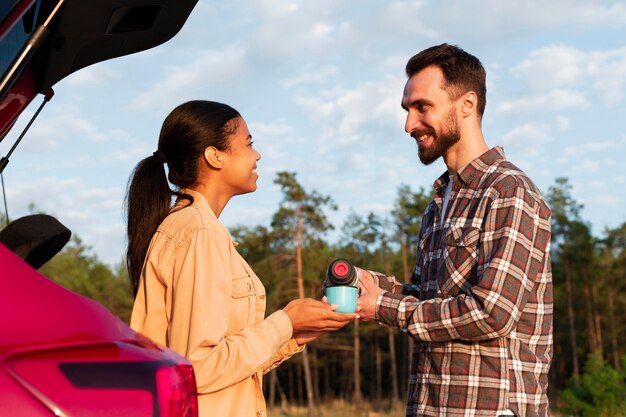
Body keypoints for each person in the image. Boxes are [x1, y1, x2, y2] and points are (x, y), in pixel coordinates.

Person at [125, 100, 357, 417]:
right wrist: (284, 321)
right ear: (214, 156)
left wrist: (293, 334)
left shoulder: (191, 228)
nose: (257, 154)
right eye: (249, 143)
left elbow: (225, 368)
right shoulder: (200, 233)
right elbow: (198, 368)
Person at [357, 44, 553, 416]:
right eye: (407, 110)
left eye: (422, 107)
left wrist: (383, 307)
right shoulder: (439, 201)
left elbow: (492, 312)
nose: (409, 124)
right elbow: (429, 297)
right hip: (432, 405)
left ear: (466, 104)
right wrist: (374, 286)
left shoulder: (509, 192)